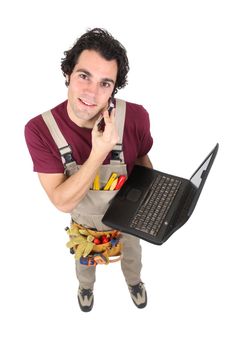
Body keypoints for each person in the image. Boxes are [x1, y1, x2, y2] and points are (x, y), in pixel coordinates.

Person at [25, 28, 153, 312]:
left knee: (133, 258)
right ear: (68, 73)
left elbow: (143, 159)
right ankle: (86, 289)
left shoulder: (136, 117)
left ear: (114, 87)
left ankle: (134, 283)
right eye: (84, 76)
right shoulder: (40, 130)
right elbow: (63, 201)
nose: (92, 93)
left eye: (105, 83)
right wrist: (99, 152)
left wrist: (153, 202)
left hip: (128, 222)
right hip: (84, 228)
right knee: (84, 265)